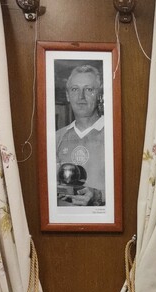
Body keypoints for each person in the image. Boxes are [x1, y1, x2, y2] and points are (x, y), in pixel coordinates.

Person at [55, 64, 105, 206]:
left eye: (89, 89)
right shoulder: (57, 138)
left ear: (99, 94)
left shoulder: (113, 133)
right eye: (75, 89)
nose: (81, 96)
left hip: (101, 217)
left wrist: (99, 195)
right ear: (67, 95)